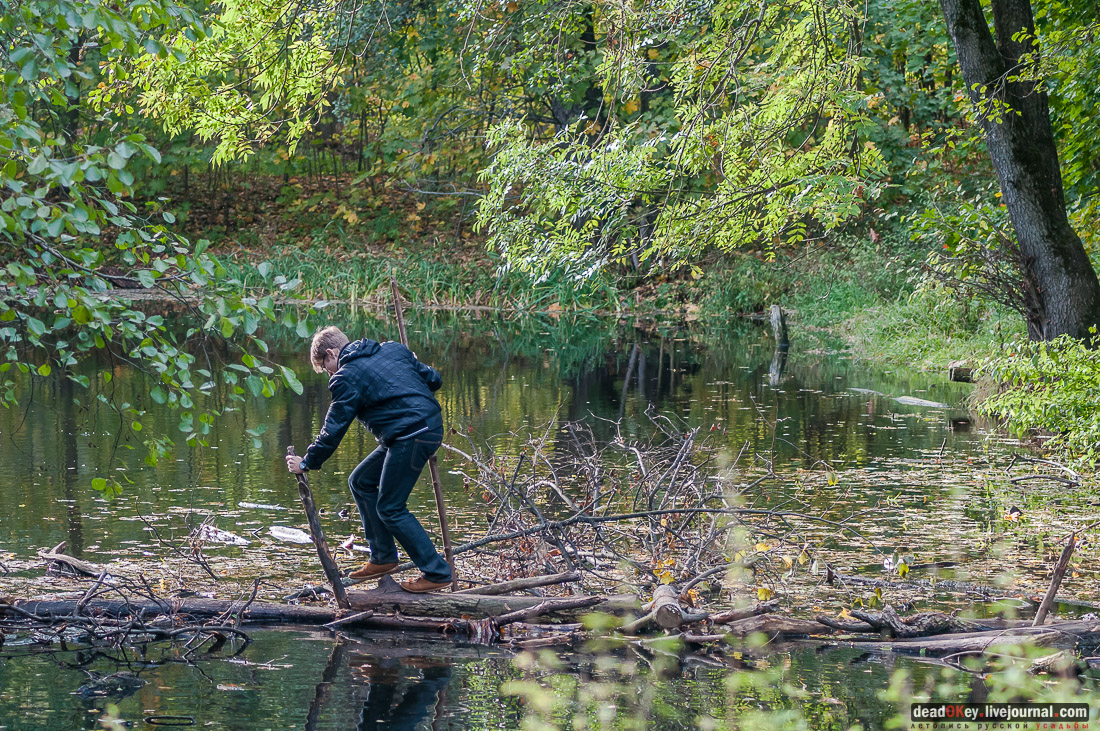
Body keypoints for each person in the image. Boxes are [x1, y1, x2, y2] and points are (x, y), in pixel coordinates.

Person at [285, 325, 454, 593]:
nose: (330, 373)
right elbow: (434, 380)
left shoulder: (346, 376)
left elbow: (333, 430)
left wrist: (306, 462)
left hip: (412, 434)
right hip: (417, 430)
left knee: (390, 507)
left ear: (332, 352)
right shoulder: (394, 349)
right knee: (361, 481)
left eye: (326, 366)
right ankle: (383, 557)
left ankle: (437, 572)